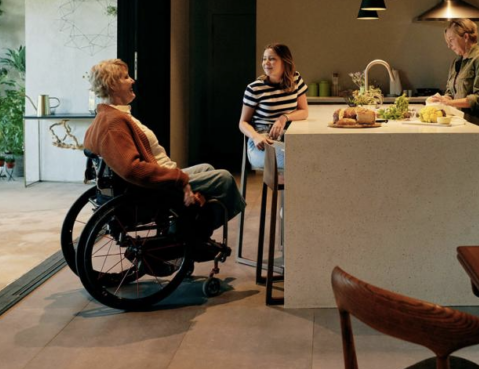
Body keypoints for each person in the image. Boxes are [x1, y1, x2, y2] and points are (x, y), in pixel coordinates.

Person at [83, 58, 245, 240]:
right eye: (126, 77)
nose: (132, 81)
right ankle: (186, 238)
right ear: (112, 85)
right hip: (153, 188)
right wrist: (180, 180)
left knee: (206, 168)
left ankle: (189, 224)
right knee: (224, 179)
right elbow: (132, 169)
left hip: (160, 175)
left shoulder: (111, 115)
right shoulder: (114, 122)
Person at [428, 18, 479, 210]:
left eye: (451, 41)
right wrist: (441, 99)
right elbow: (450, 91)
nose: (449, 46)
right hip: (462, 125)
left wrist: (449, 102)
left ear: (466, 37)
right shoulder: (457, 62)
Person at [238, 43, 309, 170]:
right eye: (264, 59)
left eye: (271, 59)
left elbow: (304, 111)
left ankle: (285, 186)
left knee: (312, 155)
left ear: (284, 61)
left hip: (289, 135)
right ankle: (283, 186)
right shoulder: (255, 88)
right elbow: (243, 122)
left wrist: (284, 118)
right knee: (296, 160)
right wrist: (255, 136)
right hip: (262, 140)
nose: (266, 63)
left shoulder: (295, 79)